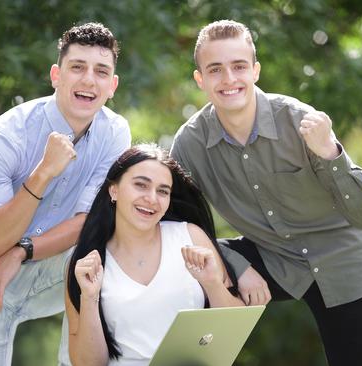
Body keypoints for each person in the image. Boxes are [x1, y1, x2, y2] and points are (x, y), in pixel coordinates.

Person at [170, 20, 362, 365]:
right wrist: (237, 265)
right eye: (215, 69)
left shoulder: (299, 120)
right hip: (274, 256)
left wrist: (331, 154)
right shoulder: (190, 144)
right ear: (200, 79)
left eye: (238, 66)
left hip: (346, 262)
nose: (229, 79)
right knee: (194, 265)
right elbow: (179, 228)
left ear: (255, 71)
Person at [0, 22, 130, 365]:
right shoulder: (5, 136)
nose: (88, 80)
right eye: (77, 67)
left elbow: (88, 222)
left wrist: (20, 253)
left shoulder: (114, 133)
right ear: (56, 75)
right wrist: (43, 173)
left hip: (45, 267)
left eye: (101, 72)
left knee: (113, 251)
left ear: (112, 85)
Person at [63, 144, 244, 365]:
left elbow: (235, 329)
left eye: (163, 191)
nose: (152, 198)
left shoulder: (190, 236)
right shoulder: (86, 262)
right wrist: (89, 297)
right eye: (141, 185)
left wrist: (213, 284)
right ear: (114, 190)